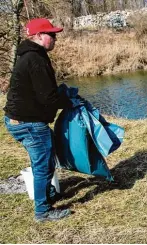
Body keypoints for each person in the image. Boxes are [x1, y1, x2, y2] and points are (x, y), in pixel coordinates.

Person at [3, 18, 72, 222]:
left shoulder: (30, 55)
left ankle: (48, 193)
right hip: (28, 123)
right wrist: (68, 101)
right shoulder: (35, 59)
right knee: (42, 165)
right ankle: (42, 211)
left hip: (20, 120)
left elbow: (42, 92)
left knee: (47, 156)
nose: (55, 38)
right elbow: (48, 97)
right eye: (52, 34)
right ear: (39, 36)